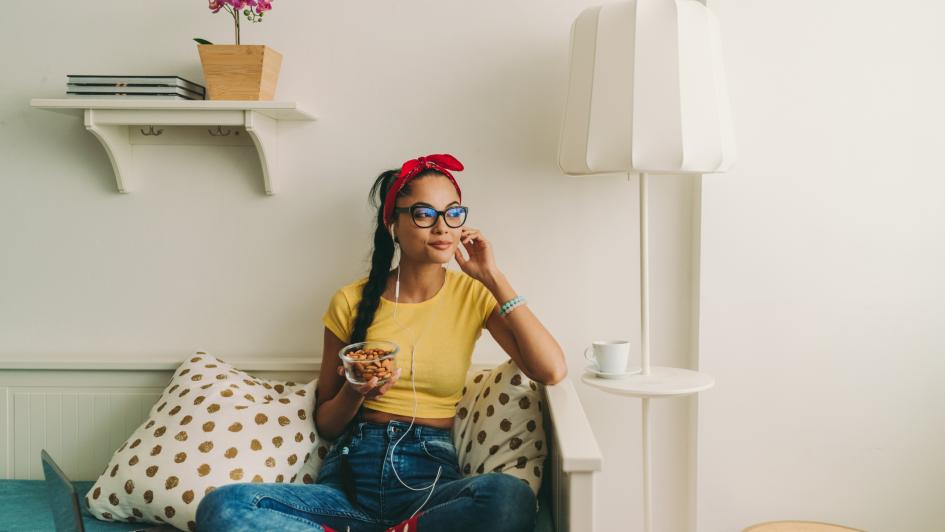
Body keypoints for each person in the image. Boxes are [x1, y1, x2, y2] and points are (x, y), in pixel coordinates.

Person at [196, 153, 568, 531]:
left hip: (429, 485)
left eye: (453, 213)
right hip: (349, 481)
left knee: (510, 499)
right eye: (425, 214)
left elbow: (551, 370)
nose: (442, 227)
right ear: (393, 223)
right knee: (223, 507)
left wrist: (492, 274)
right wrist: (356, 391)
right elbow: (326, 423)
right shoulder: (351, 301)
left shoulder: (474, 295)